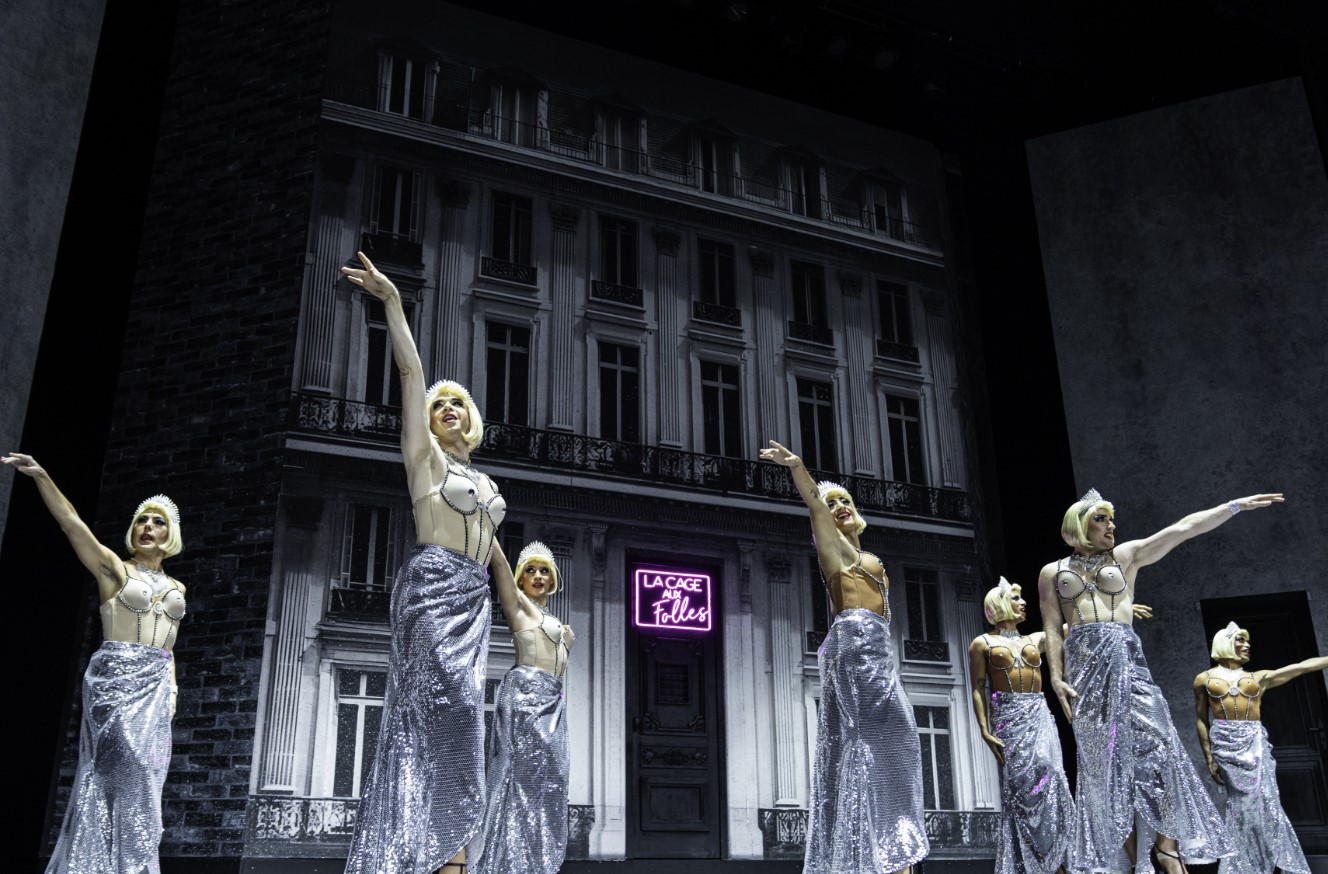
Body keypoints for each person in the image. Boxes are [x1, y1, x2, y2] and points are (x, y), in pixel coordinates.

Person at [340, 252, 505, 874]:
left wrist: (521, 611)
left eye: (458, 403)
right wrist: (392, 304)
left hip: (474, 598)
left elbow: (496, 557)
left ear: (473, 419)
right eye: (441, 406)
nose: (448, 410)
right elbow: (411, 374)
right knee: (432, 712)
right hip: (434, 586)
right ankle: (415, 853)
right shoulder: (426, 463)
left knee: (463, 721)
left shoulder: (483, 478)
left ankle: (453, 855)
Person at [1039, 488, 1281, 874]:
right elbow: (1052, 627)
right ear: (1080, 525)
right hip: (1085, 674)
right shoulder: (1052, 572)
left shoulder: (1125, 556)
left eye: (1111, 519)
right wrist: (1055, 676)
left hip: (1128, 662)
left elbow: (1182, 529)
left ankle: (1168, 847)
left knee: (1162, 752)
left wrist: (1233, 506)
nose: (1111, 525)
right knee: (1104, 769)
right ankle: (1131, 862)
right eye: (1102, 519)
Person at [4, 453, 185, 874]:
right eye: (142, 520)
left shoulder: (178, 586)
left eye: (158, 521)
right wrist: (43, 476)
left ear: (170, 534)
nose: (148, 528)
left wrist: (173, 688)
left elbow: (169, 645)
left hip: (157, 685)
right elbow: (72, 525)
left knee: (148, 781)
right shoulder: (113, 569)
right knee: (123, 772)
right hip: (115, 681)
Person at [759, 440, 928, 874]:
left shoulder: (872, 558)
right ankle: (887, 853)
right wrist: (798, 467)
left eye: (844, 500)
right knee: (874, 743)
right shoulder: (834, 551)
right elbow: (815, 505)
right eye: (831, 503)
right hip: (854, 649)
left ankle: (887, 851)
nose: (837, 507)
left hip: (876, 651)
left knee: (896, 746)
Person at [472, 541, 574, 874]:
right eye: (530, 570)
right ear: (520, 578)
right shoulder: (519, 608)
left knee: (550, 784)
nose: (538, 576)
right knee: (518, 783)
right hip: (525, 702)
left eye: (544, 570)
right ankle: (504, 864)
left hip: (553, 706)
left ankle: (534, 863)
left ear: (554, 578)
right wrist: (486, 522)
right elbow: (499, 565)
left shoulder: (556, 621)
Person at [1194, 622, 1325, 874]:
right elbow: (1200, 719)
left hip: (1254, 743)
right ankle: (1243, 866)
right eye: (1240, 641)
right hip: (1225, 744)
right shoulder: (1204, 679)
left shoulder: (1258, 678)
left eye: (1248, 643)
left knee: (1267, 801)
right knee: (1240, 806)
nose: (1247, 646)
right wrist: (1209, 757)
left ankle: (1274, 860)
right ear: (1224, 643)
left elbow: (1300, 667)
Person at [968, 578, 1076, 874]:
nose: (1023, 603)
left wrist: (1115, 613)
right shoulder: (982, 643)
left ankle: (1057, 859)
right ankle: (1034, 863)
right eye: (1016, 598)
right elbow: (978, 687)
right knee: (1021, 790)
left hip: (1037, 713)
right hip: (1009, 719)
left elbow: (1075, 626)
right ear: (1000, 602)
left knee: (1052, 774)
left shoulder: (1036, 640)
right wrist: (984, 728)